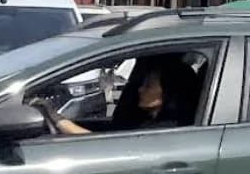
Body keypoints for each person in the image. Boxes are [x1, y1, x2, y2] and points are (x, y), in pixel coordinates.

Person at [54, 57, 201, 136]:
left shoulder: (164, 131)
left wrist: (59, 121)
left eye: (148, 85)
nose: (140, 89)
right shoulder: (146, 121)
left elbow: (105, 147)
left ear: (169, 93)